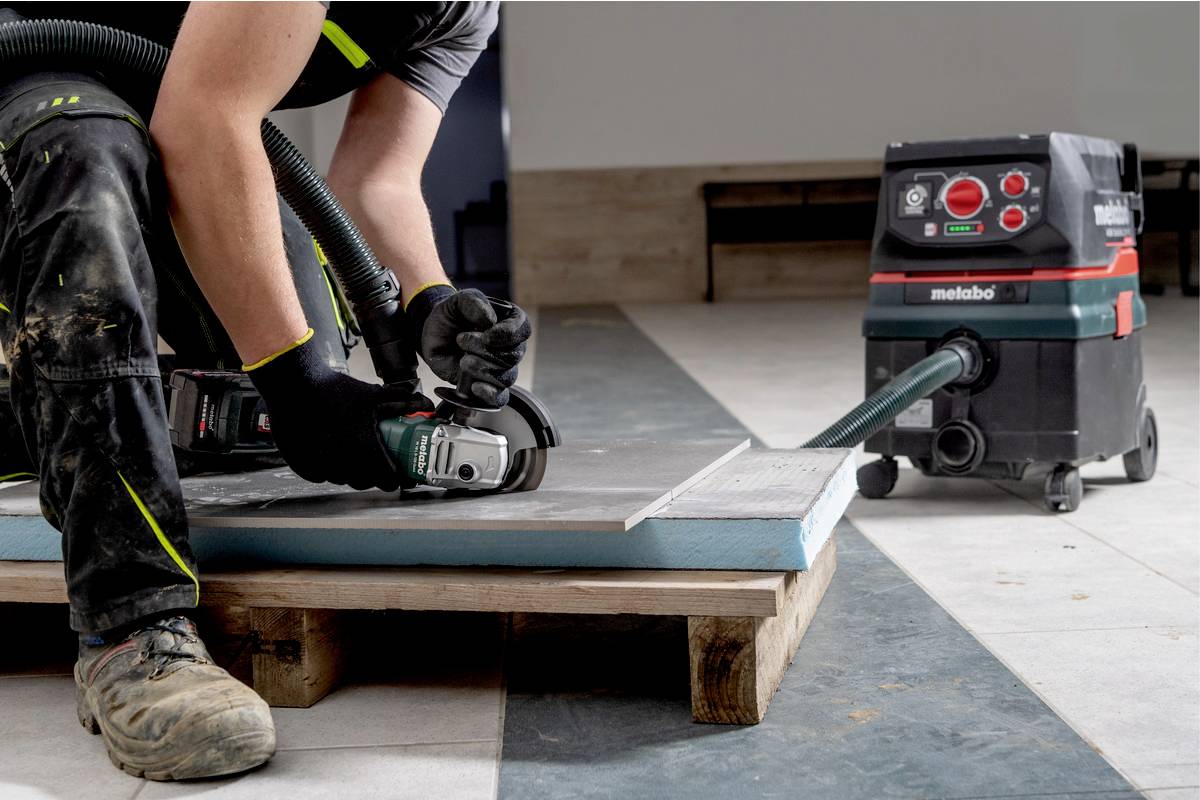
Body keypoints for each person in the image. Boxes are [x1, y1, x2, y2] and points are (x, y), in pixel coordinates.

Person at [0, 1, 527, 780]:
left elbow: (374, 179)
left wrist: (427, 299)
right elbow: (206, 117)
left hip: (164, 92)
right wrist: (299, 379)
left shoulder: (463, 9)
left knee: (256, 361)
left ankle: (39, 411)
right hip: (35, 55)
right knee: (86, 161)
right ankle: (130, 629)